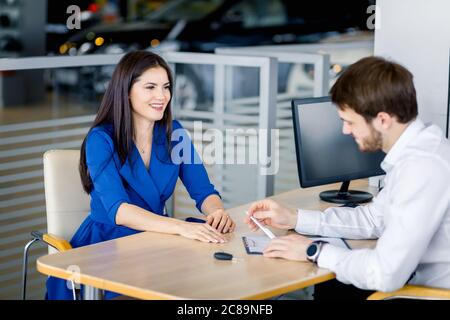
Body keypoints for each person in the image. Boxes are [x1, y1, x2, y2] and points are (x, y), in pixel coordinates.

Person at [245, 56, 450, 298]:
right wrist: (295, 218)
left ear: (382, 120)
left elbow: (384, 273)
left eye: (349, 121)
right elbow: (374, 219)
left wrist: (314, 250)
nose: (345, 130)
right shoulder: (418, 153)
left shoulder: (421, 168)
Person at [46, 50, 235, 299]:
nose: (162, 96)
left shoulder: (174, 133)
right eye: (150, 87)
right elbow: (119, 210)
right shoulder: (101, 139)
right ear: (126, 91)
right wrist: (180, 228)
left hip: (157, 238)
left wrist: (216, 211)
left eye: (166, 87)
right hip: (108, 243)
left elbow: (203, 191)